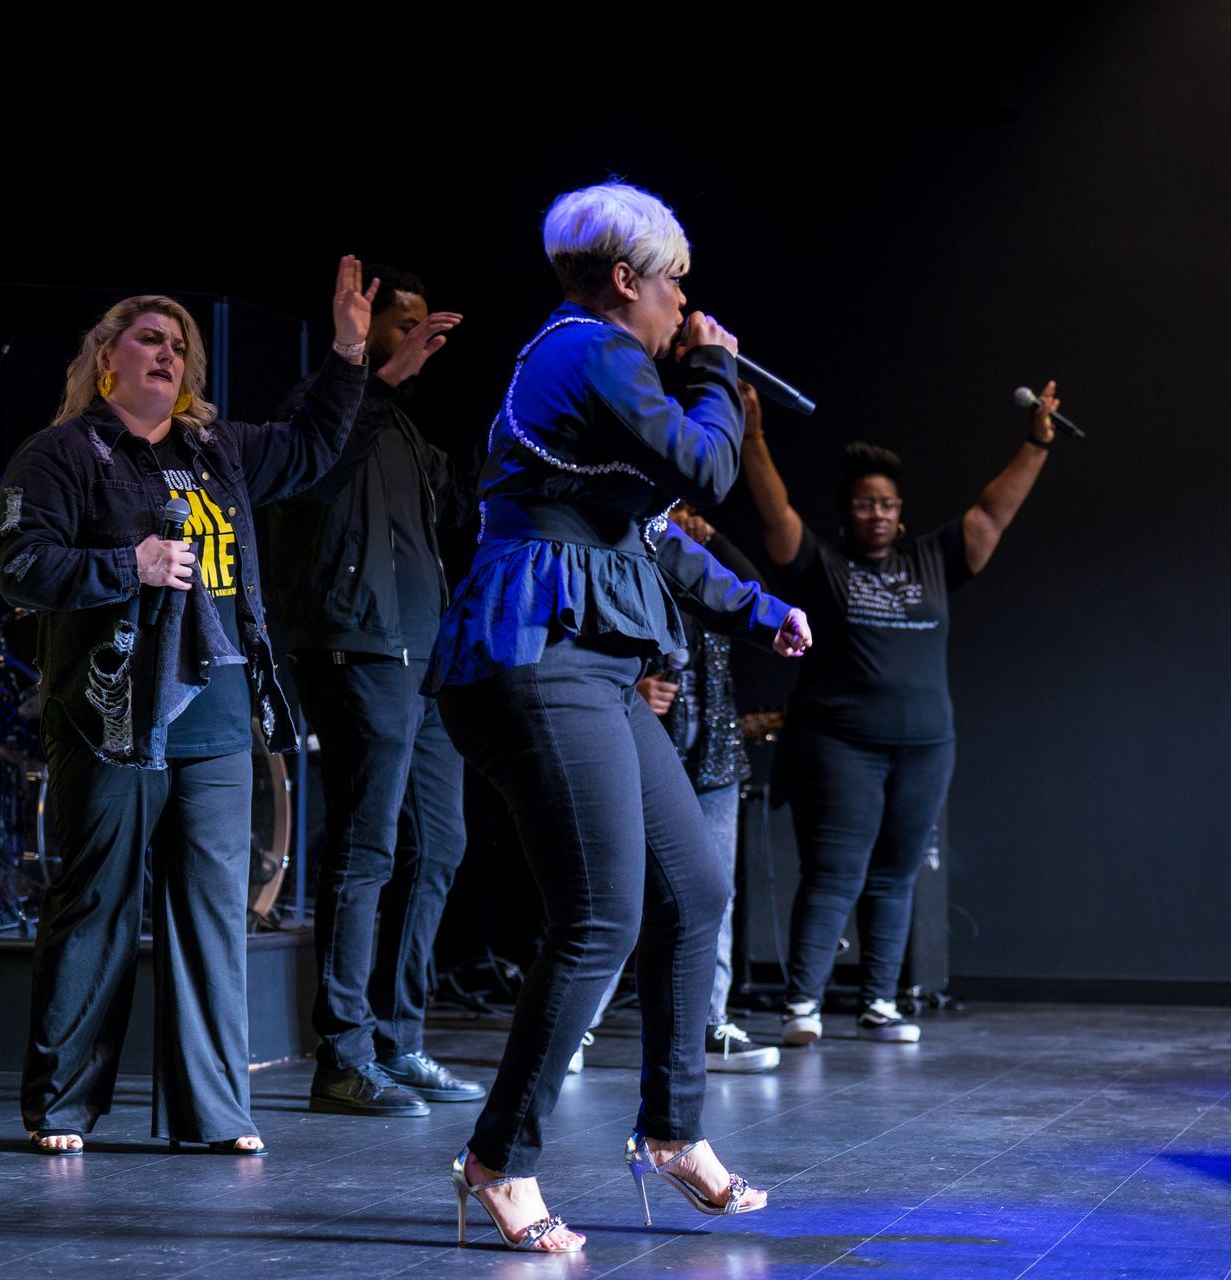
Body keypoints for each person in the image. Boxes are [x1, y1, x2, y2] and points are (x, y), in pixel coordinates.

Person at [423, 182, 811, 1252]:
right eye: (677, 281)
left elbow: (651, 536)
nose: (688, 301)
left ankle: (673, 1128)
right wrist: (720, 373)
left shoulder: (607, 371)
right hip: (532, 653)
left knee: (695, 884)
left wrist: (762, 604)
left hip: (588, 658)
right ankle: (498, 1155)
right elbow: (707, 468)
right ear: (628, 279)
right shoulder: (583, 350)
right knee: (599, 914)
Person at [0, 257, 375, 1155]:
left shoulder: (218, 453)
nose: (168, 354)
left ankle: (213, 1113)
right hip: (111, 713)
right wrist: (124, 566)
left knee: (212, 910)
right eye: (149, 338)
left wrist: (351, 352)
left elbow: (315, 444)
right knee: (98, 904)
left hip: (215, 716)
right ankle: (62, 1106)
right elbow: (19, 566)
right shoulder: (60, 454)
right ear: (106, 359)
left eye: (181, 346)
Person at [738, 377, 1061, 1046]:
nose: (877, 514)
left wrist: (1036, 444)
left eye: (887, 504)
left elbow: (992, 515)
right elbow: (775, 518)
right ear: (847, 513)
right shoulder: (823, 564)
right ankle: (803, 1004)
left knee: (896, 873)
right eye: (864, 504)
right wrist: (754, 437)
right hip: (840, 744)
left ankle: (879, 1001)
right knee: (835, 870)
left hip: (925, 746)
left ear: (900, 512)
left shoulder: (933, 560)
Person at [261, 266, 481, 1117]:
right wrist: (373, 376)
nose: (422, 335)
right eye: (405, 321)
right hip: (355, 650)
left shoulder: (411, 438)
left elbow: (462, 507)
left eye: (430, 323)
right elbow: (305, 473)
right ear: (365, 321)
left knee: (444, 845)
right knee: (367, 849)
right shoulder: (316, 405)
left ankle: (398, 1039)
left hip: (422, 663)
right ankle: (343, 1057)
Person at [634, 503, 781, 1073]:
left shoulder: (706, 575)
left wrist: (713, 537)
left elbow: (756, 593)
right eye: (674, 508)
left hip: (714, 755)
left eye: (693, 509)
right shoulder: (634, 558)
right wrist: (636, 684)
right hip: (649, 748)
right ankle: (582, 1030)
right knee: (617, 894)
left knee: (717, 891)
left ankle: (709, 1023)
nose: (684, 518)